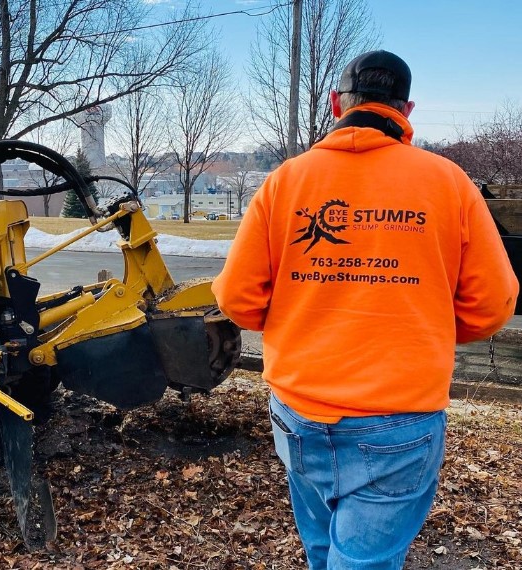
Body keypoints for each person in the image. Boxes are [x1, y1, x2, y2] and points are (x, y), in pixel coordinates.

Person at [212, 50, 519, 569]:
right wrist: (425, 324)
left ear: (336, 103)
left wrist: (305, 314)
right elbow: (491, 305)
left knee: (322, 550)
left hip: (298, 413)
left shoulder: (285, 182)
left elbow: (238, 299)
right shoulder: (449, 184)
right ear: (408, 109)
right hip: (399, 419)